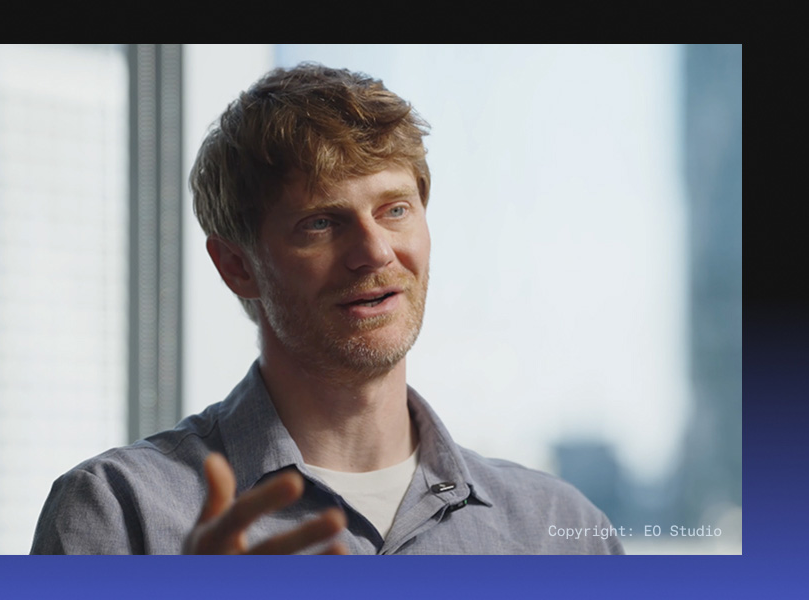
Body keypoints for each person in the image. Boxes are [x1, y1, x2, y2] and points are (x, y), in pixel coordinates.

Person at [31, 63, 624, 555]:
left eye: (394, 209)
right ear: (236, 265)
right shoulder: (115, 513)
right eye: (321, 223)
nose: (374, 252)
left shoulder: (560, 533)